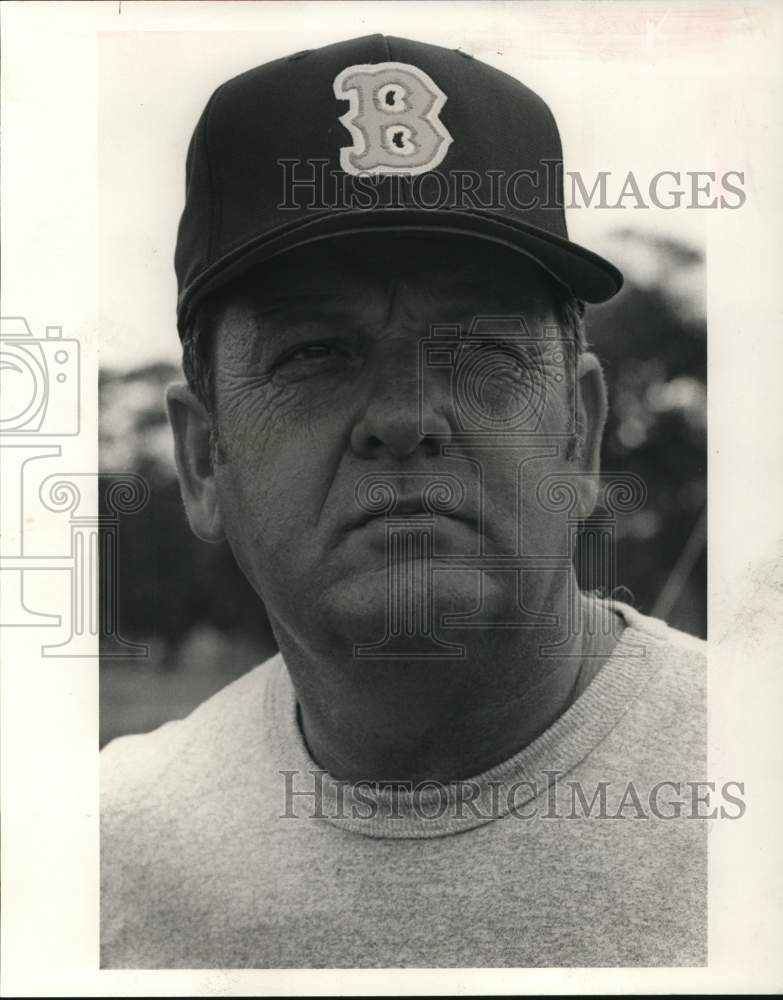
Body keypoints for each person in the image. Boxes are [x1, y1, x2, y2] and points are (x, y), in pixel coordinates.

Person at [101, 34, 707, 968]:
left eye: (479, 351)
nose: (403, 416)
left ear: (577, 435)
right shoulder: (103, 853)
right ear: (203, 461)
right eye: (312, 352)